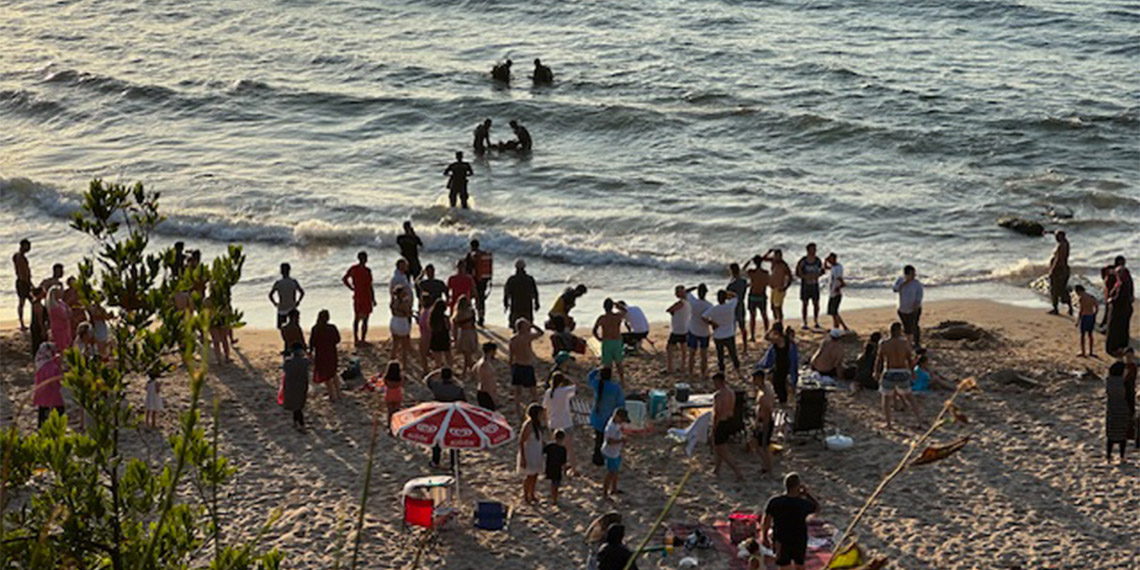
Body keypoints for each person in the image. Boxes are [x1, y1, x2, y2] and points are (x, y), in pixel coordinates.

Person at [761, 472, 820, 570]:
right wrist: (807, 494)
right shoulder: (802, 503)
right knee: (799, 565)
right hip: (798, 538)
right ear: (798, 486)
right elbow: (817, 508)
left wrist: (764, 536)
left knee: (784, 565)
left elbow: (766, 520)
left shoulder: (775, 502)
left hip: (781, 538)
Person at [874, 322, 922, 429]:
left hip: (889, 371)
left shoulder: (883, 343)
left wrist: (876, 372)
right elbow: (909, 359)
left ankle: (889, 423)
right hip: (902, 371)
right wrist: (913, 372)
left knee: (886, 399)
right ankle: (919, 420)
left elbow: (879, 360)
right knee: (910, 397)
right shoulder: (904, 343)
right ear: (899, 331)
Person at [426, 367, 466, 469]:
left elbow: (427, 379)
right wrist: (456, 380)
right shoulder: (457, 389)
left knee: (437, 438)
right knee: (453, 439)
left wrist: (435, 371)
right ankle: (454, 464)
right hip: (453, 416)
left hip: (439, 415)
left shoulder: (437, 386)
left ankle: (435, 461)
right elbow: (464, 402)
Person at [588, 367, 625, 468]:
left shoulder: (597, 384)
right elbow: (620, 403)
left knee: (598, 439)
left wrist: (597, 370)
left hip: (596, 417)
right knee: (609, 439)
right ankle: (607, 458)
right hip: (608, 418)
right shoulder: (615, 388)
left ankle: (597, 458)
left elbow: (590, 376)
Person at [510, 318, 545, 416]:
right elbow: (541, 332)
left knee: (518, 392)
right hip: (526, 366)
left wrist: (511, 369)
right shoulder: (527, 337)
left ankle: (518, 411)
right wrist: (533, 325)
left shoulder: (513, 339)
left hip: (517, 366)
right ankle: (537, 409)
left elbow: (511, 357)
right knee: (533, 391)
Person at [711, 373, 744, 480]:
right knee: (718, 447)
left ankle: (737, 472)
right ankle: (717, 469)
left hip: (721, 422)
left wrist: (713, 427)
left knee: (722, 450)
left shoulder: (719, 395)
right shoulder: (731, 392)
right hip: (730, 421)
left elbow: (717, 412)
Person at [543, 371, 576, 471]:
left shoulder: (549, 393)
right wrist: (568, 377)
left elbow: (545, 408)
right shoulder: (565, 391)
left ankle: (557, 467)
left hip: (553, 422)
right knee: (569, 448)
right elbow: (576, 385)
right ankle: (573, 468)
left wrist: (546, 421)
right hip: (566, 422)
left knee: (556, 448)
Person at [757, 323, 797, 405]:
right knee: (781, 383)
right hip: (785, 364)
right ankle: (783, 400)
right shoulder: (786, 339)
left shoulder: (777, 340)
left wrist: (770, 330)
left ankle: (782, 400)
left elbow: (766, 337)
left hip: (780, 365)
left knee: (779, 383)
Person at [704, 289, 741, 374]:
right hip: (729, 334)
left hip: (718, 335)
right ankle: (737, 369)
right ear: (725, 298)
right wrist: (728, 293)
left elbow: (704, 317)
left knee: (720, 354)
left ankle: (722, 370)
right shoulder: (730, 306)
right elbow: (735, 296)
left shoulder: (714, 309)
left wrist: (712, 323)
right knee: (733, 353)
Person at [342, 252, 375, 345]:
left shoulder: (354, 269)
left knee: (357, 318)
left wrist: (351, 287)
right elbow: (370, 286)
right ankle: (361, 339)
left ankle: (357, 339)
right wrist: (373, 298)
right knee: (364, 319)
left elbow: (344, 279)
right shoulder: (366, 271)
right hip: (365, 296)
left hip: (358, 296)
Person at [593, 299, 628, 385]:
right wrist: (617, 304)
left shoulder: (602, 318)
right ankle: (622, 380)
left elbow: (594, 330)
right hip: (617, 341)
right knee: (619, 363)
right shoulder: (617, 316)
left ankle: (608, 381)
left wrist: (599, 338)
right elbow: (625, 310)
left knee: (607, 365)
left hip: (607, 341)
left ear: (604, 307)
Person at [310, 309, 341, 402]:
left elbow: (312, 342)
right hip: (331, 352)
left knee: (326, 375)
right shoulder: (332, 327)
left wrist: (310, 351)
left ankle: (332, 395)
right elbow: (337, 339)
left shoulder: (315, 328)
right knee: (333, 372)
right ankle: (338, 392)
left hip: (321, 353)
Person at [518, 403, 546, 504]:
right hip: (529, 452)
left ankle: (532, 493)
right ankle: (526, 495)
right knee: (529, 475)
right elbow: (521, 441)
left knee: (535, 474)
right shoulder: (528, 425)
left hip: (536, 452)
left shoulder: (537, 424)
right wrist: (523, 457)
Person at [1106, 257, 1133, 356]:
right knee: (1123, 329)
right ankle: (1122, 347)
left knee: (1115, 329)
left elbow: (1119, 297)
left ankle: (1115, 349)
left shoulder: (1122, 285)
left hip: (1119, 310)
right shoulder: (1127, 282)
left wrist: (1111, 300)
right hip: (1125, 309)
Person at [33, 341, 64, 428]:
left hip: (41, 392)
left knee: (42, 411)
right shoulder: (51, 367)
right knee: (59, 410)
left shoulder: (40, 364)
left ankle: (41, 427)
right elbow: (55, 379)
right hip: (52, 393)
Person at [281, 344, 311, 433]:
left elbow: (285, 369)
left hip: (290, 385)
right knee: (299, 406)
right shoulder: (305, 362)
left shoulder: (288, 362)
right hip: (301, 385)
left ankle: (295, 422)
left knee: (295, 406)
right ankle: (301, 425)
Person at [893, 265, 924, 348]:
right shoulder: (900, 280)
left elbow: (919, 296)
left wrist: (916, 306)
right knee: (906, 327)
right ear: (906, 274)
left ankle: (916, 343)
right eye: (912, 274)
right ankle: (908, 343)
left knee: (914, 326)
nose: (914, 276)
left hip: (914, 309)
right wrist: (905, 283)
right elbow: (895, 289)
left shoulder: (917, 284)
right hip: (902, 309)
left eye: (914, 273)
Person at [600, 407, 628, 498]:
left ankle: (614, 489)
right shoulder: (610, 428)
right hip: (610, 453)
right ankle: (605, 493)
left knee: (615, 471)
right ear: (617, 417)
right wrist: (621, 440)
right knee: (610, 473)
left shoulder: (615, 423)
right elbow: (610, 442)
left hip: (616, 452)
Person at [794, 243, 824, 330]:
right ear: (808, 250)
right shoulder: (803, 261)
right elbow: (797, 272)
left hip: (815, 284)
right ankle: (805, 322)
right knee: (805, 304)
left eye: (815, 249)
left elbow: (822, 271)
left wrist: (817, 275)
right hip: (805, 285)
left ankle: (816, 321)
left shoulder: (818, 260)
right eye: (813, 249)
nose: (814, 251)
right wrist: (805, 277)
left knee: (816, 304)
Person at [1105, 361, 1130, 463]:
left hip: (1111, 408)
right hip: (1122, 408)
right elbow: (1128, 395)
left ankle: (1109, 456)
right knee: (1122, 434)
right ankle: (1122, 456)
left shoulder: (1108, 381)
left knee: (1111, 434)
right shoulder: (1124, 381)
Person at [752, 369, 776, 473]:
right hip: (762, 421)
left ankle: (769, 468)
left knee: (764, 446)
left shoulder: (765, 394)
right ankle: (765, 466)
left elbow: (767, 410)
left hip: (765, 422)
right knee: (756, 444)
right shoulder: (766, 387)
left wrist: (761, 424)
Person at [686, 284, 713, 378]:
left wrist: (694, 287)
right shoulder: (709, 305)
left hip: (693, 329)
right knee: (704, 354)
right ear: (706, 293)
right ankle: (703, 373)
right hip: (704, 331)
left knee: (692, 353)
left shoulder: (693, 302)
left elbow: (686, 291)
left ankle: (690, 372)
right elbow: (708, 319)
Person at [504, 258, 539, 326]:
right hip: (527, 306)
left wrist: (505, 304)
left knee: (514, 326)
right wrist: (536, 303)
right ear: (524, 267)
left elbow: (506, 294)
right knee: (528, 326)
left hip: (516, 307)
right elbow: (535, 293)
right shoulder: (529, 279)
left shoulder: (511, 280)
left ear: (515, 267)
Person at [269, 262, 304, 329]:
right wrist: (298, 301)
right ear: (289, 270)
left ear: (281, 272)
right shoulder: (293, 282)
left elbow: (270, 295)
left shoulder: (278, 283)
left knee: (281, 329)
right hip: (292, 308)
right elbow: (302, 292)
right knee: (294, 328)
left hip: (281, 308)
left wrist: (275, 303)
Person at [465, 239, 492, 326]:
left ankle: (472, 317)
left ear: (471, 246)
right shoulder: (483, 255)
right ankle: (481, 317)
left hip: (474, 281)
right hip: (483, 281)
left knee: (471, 299)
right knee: (481, 299)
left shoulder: (471, 255)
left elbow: (468, 269)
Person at [744, 255, 771, 340]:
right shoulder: (765, 273)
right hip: (762, 295)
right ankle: (766, 333)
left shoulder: (752, 272)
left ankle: (752, 336)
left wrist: (749, 261)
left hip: (753, 295)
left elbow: (743, 270)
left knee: (752, 317)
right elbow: (767, 283)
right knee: (764, 315)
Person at [665, 285, 690, 374]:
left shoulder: (681, 303)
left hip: (677, 329)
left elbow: (669, 309)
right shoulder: (688, 302)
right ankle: (683, 366)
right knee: (683, 348)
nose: (676, 294)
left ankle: (670, 368)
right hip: (684, 327)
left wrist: (672, 311)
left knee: (669, 347)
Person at [764, 249, 793, 324]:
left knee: (778, 307)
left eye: (779, 256)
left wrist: (785, 287)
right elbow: (763, 259)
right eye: (776, 255)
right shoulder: (773, 261)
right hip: (773, 288)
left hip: (779, 288)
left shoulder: (783, 264)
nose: (777, 257)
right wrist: (768, 252)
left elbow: (790, 276)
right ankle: (776, 321)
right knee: (772, 307)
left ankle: (780, 322)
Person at [727, 263, 750, 353]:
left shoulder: (731, 285)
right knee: (742, 327)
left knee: (732, 328)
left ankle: (732, 348)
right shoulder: (743, 281)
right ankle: (745, 347)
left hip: (733, 306)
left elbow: (728, 296)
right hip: (741, 304)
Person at [1047, 231, 1072, 315]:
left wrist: (1052, 270)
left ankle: (1055, 309)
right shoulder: (1066, 243)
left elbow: (1059, 259)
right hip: (1064, 270)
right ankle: (1070, 307)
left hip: (1059, 271)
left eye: (1057, 236)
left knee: (1055, 289)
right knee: (1062, 289)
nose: (1056, 238)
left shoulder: (1061, 245)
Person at [453, 295, 479, 376]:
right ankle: (469, 371)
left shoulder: (458, 314)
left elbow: (455, 327)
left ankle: (470, 371)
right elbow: (473, 324)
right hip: (471, 332)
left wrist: (455, 338)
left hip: (463, 333)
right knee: (468, 355)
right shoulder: (471, 312)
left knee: (466, 355)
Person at [824, 252, 848, 331]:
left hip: (836, 293)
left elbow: (840, 279)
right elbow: (825, 268)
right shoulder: (833, 267)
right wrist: (825, 260)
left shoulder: (837, 268)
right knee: (833, 312)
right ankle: (838, 326)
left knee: (834, 312)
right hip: (832, 293)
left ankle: (841, 327)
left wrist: (839, 287)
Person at [427, 298, 453, 370]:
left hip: (435, 337)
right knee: (448, 355)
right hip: (444, 337)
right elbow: (448, 327)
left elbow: (430, 327)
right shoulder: (445, 318)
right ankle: (449, 369)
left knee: (438, 358)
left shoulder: (432, 317)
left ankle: (438, 370)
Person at [381, 361, 405, 435]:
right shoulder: (400, 377)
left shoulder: (387, 378)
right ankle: (396, 426)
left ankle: (389, 426)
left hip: (389, 395)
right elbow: (402, 384)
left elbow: (385, 383)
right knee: (397, 412)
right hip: (397, 395)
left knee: (390, 412)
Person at [544, 429, 568, 505]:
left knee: (553, 484)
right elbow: (563, 462)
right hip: (557, 469)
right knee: (556, 484)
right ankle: (555, 499)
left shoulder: (550, 446)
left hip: (549, 467)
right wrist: (565, 471)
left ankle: (553, 497)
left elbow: (543, 450)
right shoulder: (563, 449)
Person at [474, 342, 500, 411]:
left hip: (482, 390)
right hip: (487, 393)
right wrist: (494, 397)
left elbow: (473, 370)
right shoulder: (485, 365)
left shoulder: (480, 362)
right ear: (491, 351)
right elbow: (488, 382)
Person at [1075, 285, 1099, 358]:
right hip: (1091, 316)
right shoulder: (1091, 296)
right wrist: (1094, 314)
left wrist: (1078, 321)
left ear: (1078, 291)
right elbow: (1097, 307)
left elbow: (1081, 310)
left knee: (1082, 335)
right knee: (1090, 335)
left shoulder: (1081, 298)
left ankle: (1083, 352)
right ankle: (1091, 352)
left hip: (1085, 316)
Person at [13, 238, 32, 330]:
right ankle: (22, 323)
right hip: (23, 283)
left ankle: (23, 323)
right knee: (23, 302)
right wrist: (28, 283)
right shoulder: (19, 257)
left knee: (24, 303)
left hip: (24, 282)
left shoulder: (19, 256)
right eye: (28, 246)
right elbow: (23, 272)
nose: (29, 248)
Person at [47, 288, 72, 354]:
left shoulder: (61, 303)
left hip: (65, 326)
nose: (61, 293)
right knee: (60, 345)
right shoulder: (54, 306)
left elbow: (69, 311)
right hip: (59, 328)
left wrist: (68, 312)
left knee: (67, 343)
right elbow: (64, 315)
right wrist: (68, 313)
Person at [28, 287, 48, 358]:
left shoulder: (35, 302)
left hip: (35, 326)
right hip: (37, 326)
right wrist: (42, 329)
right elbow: (39, 318)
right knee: (39, 342)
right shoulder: (38, 305)